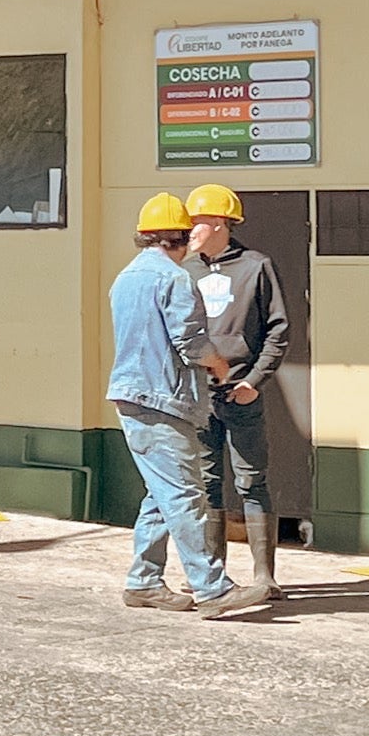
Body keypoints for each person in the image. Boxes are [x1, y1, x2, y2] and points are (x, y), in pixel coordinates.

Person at [107, 194, 255, 617]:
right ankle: (211, 587)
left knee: (161, 494)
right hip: (163, 400)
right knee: (187, 495)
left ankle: (144, 582)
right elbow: (189, 343)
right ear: (183, 237)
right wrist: (220, 364)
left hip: (132, 395)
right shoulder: (174, 280)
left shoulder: (125, 278)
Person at [185, 183, 291, 603]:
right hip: (198, 397)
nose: (190, 230)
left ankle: (265, 577)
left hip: (241, 392)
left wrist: (254, 381)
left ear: (219, 223)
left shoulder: (256, 267)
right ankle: (213, 579)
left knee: (251, 481)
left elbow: (278, 330)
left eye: (196, 222)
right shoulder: (185, 270)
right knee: (207, 484)